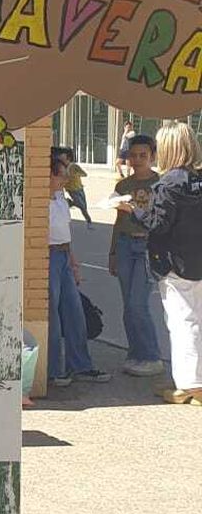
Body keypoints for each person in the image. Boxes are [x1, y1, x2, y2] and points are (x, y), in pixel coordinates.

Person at [144, 122, 202, 405]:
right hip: (198, 258)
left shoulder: (167, 184)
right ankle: (192, 378)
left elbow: (159, 225)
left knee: (181, 321)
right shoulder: (197, 180)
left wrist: (133, 210)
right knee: (197, 319)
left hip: (173, 262)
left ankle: (190, 384)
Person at [46, 151, 106, 389]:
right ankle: (53, 370)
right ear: (48, 175)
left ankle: (80, 364)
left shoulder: (60, 196)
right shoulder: (39, 201)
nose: (64, 181)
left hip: (63, 254)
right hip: (48, 255)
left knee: (74, 311)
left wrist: (73, 261)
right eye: (60, 176)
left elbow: (65, 231)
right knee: (52, 315)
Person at [108, 132, 166, 376]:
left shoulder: (161, 184)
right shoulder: (123, 185)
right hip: (123, 244)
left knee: (137, 304)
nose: (137, 160)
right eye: (133, 155)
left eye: (143, 155)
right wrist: (112, 252)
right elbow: (118, 221)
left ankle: (151, 356)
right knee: (127, 305)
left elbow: (162, 222)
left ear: (153, 156)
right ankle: (135, 354)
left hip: (146, 247)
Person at [51, 145, 91, 222]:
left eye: (62, 155)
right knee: (81, 205)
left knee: (84, 206)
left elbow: (84, 174)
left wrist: (75, 174)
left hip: (78, 188)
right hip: (71, 189)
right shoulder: (61, 166)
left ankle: (73, 204)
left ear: (68, 157)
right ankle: (89, 221)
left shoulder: (73, 166)